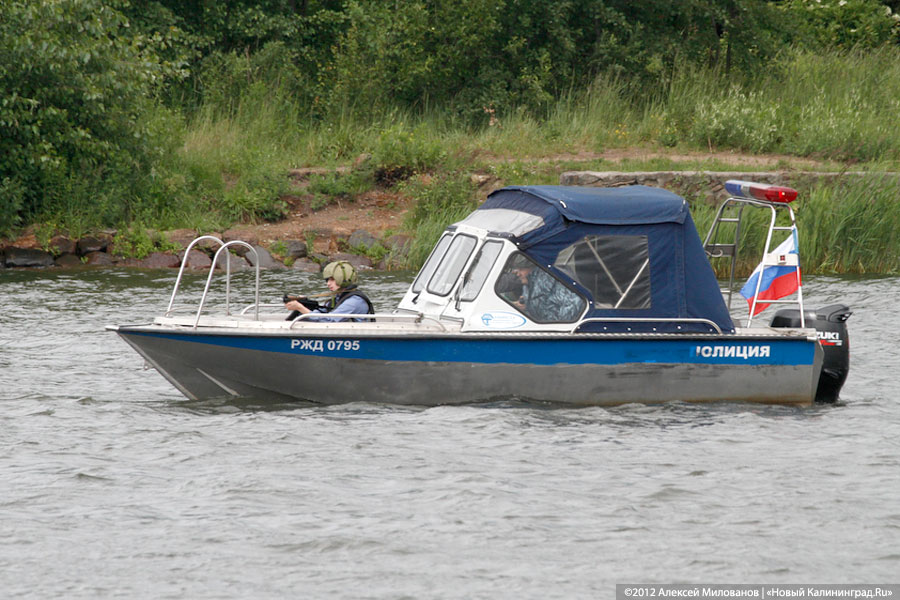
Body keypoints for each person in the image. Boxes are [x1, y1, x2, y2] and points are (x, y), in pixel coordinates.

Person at [284, 260, 374, 322]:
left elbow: (329, 320)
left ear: (342, 279)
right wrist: (305, 303)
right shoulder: (338, 297)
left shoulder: (354, 301)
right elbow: (326, 312)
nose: (328, 283)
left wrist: (300, 308)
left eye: (332, 279)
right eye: (327, 280)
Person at [506, 256, 584, 323]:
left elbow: (575, 304)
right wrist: (525, 307)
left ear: (533, 268)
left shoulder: (555, 281)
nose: (518, 273)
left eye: (521, 269)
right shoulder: (528, 285)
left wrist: (554, 326)